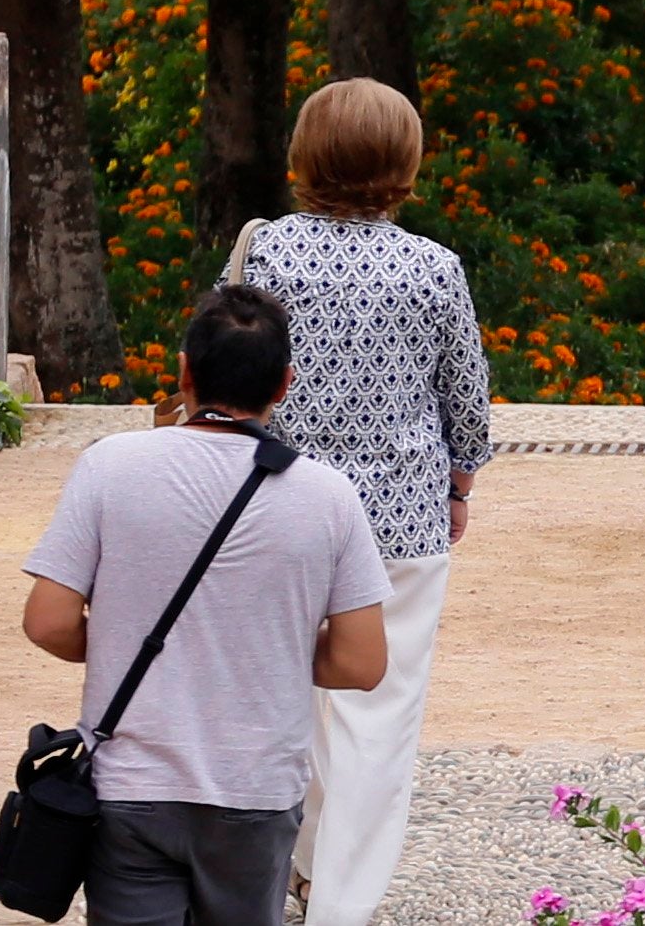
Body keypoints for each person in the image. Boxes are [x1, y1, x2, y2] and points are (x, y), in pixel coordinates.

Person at [22, 283, 393, 926]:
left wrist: (123, 635)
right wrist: (261, 643)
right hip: (255, 790)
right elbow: (363, 664)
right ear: (283, 385)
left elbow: (48, 619)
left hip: (132, 784)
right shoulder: (328, 496)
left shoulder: (110, 465)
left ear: (184, 372)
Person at [242, 82, 490, 926]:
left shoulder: (266, 254)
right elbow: (467, 400)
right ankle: (342, 903)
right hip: (400, 522)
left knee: (285, 690)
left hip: (275, 506)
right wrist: (459, 486)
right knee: (378, 713)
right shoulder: (434, 268)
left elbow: (222, 364)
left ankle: (297, 867)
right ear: (406, 165)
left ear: (305, 156)